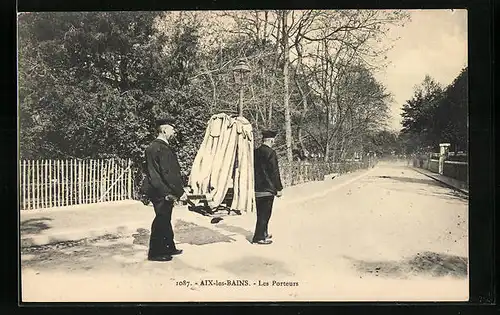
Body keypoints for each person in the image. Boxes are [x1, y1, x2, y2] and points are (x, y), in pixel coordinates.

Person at [141, 118, 188, 261]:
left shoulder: (151, 147)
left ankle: (169, 247)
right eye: (172, 129)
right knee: (161, 220)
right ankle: (156, 253)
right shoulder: (163, 148)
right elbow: (168, 173)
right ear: (165, 130)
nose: (173, 132)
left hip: (156, 189)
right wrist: (180, 192)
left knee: (165, 219)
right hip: (163, 191)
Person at [252, 130, 283, 245]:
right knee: (266, 213)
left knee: (260, 213)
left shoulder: (255, 152)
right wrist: (278, 188)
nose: (274, 142)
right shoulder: (271, 153)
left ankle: (263, 233)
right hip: (268, 189)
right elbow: (274, 172)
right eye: (273, 140)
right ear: (270, 140)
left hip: (257, 187)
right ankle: (259, 237)